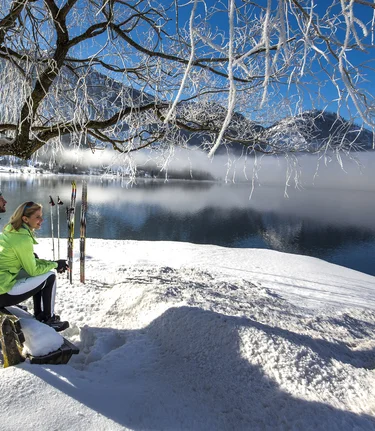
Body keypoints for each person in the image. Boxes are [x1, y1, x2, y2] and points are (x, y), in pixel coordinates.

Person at [0, 201, 69, 332]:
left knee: (40, 266)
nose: (41, 220)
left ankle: (40, 314)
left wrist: (53, 263)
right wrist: (54, 265)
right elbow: (33, 270)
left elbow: (31, 262)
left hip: (3, 282)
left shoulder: (12, 231)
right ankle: (48, 319)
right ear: (25, 219)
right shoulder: (22, 239)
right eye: (37, 217)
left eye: (41, 216)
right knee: (49, 276)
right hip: (2, 292)